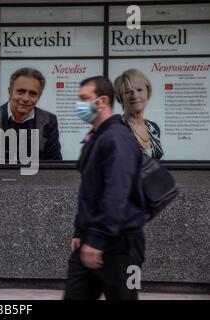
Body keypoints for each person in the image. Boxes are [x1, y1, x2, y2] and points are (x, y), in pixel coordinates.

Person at [64, 76, 150, 300]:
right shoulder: (98, 137)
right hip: (92, 239)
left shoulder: (117, 138)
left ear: (102, 101)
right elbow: (91, 191)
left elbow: (116, 193)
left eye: (84, 99)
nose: (78, 105)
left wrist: (96, 240)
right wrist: (80, 231)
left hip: (122, 246)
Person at [0, 68, 62, 160]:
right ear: (10, 92)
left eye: (32, 94)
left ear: (39, 96)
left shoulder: (49, 120)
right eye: (21, 92)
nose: (26, 98)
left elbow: (54, 162)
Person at [114, 69, 163, 159]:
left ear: (148, 93)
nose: (135, 96)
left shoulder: (154, 128)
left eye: (140, 90)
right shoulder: (115, 129)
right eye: (128, 92)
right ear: (120, 98)